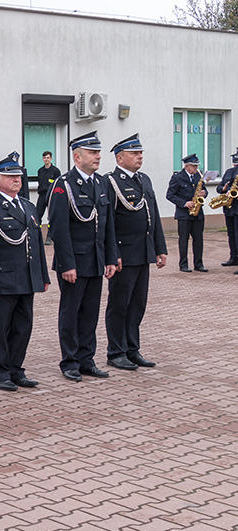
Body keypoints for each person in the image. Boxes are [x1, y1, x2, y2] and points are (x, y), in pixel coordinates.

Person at [0, 156, 49, 391]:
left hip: (27, 278)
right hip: (3, 279)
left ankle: (16, 369)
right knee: (0, 328)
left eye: (18, 176)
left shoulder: (28, 206)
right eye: (10, 176)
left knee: (23, 327)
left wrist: (43, 276)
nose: (17, 180)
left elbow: (37, 244)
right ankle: (0, 373)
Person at [48, 131, 118, 382]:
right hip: (74, 262)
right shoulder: (63, 184)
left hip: (96, 260)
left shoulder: (100, 183)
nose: (98, 156)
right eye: (92, 152)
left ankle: (87, 359)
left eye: (99, 152)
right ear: (77, 157)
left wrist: (111, 257)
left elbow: (108, 225)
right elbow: (58, 227)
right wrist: (66, 263)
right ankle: (70, 361)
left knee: (90, 312)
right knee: (71, 312)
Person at [104, 134, 167, 370]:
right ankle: (115, 351)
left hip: (143, 252)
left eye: (140, 153)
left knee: (138, 304)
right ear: (120, 157)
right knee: (120, 304)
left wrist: (160, 248)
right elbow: (108, 221)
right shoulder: (110, 182)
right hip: (123, 254)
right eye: (134, 153)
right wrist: (113, 253)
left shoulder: (145, 179)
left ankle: (132, 348)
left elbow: (154, 216)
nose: (140, 157)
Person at [166, 154, 208, 272]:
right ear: (186, 166)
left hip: (198, 213)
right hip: (184, 214)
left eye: (197, 166)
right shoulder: (177, 178)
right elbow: (170, 195)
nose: (196, 168)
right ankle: (183, 264)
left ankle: (198, 264)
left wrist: (204, 193)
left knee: (198, 240)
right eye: (194, 166)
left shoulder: (198, 177)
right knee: (183, 240)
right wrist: (184, 203)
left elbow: (204, 190)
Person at [215, 149, 238, 270]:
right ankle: (233, 257)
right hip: (228, 208)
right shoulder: (229, 172)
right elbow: (219, 188)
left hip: (237, 207)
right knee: (231, 234)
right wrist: (223, 189)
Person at [35, 150, 61, 245]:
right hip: (42, 195)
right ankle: (38, 235)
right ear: (43, 159)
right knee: (37, 215)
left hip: (51, 196)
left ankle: (49, 236)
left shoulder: (55, 171)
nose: (46, 159)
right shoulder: (40, 171)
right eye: (44, 158)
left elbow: (58, 184)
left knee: (51, 216)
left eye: (48, 158)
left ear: (51, 159)